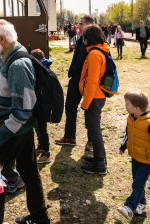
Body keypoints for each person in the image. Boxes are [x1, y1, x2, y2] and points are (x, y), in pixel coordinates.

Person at [0, 20, 52, 224]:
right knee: (28, 170)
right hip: (21, 129)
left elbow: (22, 111)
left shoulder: (17, 65)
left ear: (2, 40)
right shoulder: (14, 54)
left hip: (15, 129)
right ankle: (40, 218)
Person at [117, 89, 150, 221]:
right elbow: (128, 133)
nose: (125, 106)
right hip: (135, 156)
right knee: (138, 182)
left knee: (137, 184)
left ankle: (129, 207)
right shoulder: (131, 118)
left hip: (147, 159)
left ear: (136, 108)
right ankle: (141, 204)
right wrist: (123, 146)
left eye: (127, 104)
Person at [55, 15, 95, 148]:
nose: (79, 26)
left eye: (81, 24)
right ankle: (69, 137)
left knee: (90, 110)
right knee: (70, 106)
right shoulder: (80, 39)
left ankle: (91, 141)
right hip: (76, 78)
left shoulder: (96, 41)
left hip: (89, 80)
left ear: (89, 25)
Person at [78, 24, 111, 175]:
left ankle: (99, 164)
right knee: (94, 129)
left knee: (94, 130)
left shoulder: (94, 54)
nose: (82, 38)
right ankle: (100, 158)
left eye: (83, 36)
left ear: (88, 37)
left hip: (94, 97)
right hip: (97, 96)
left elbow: (92, 81)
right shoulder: (99, 50)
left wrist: (85, 103)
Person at [30, 48, 55, 164]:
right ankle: (40, 145)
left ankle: (46, 153)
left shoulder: (41, 72)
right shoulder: (45, 69)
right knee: (38, 127)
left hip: (41, 105)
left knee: (41, 128)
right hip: (41, 105)